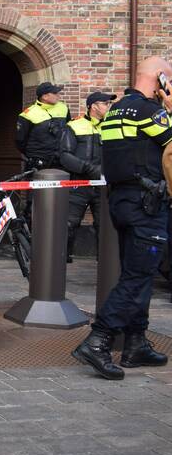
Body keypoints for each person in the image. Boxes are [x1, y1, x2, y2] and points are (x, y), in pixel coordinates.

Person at [72, 56, 172, 380]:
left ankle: (135, 342)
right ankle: (98, 340)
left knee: (136, 272)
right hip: (147, 206)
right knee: (137, 276)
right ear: (160, 79)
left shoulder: (115, 109)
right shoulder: (150, 111)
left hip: (122, 201)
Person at [58, 91, 114, 262]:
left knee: (105, 225)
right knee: (69, 223)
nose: (108, 106)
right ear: (94, 106)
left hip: (104, 184)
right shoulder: (74, 125)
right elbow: (65, 155)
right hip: (79, 183)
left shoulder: (111, 125)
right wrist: (90, 169)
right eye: (105, 103)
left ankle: (105, 264)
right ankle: (61, 261)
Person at [16, 82, 70, 224]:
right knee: (35, 198)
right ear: (45, 96)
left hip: (60, 161)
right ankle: (31, 227)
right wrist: (34, 155)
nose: (59, 95)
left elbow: (69, 132)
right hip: (38, 162)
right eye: (56, 93)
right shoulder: (28, 114)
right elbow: (20, 140)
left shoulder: (63, 108)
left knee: (60, 197)